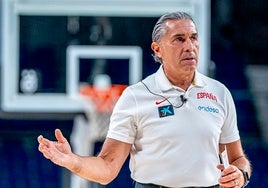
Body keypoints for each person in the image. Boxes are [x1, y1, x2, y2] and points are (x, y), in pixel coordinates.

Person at [38, 12, 251, 188]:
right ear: (157, 49)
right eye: (179, 39)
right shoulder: (135, 97)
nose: (189, 46)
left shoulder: (219, 92)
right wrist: (73, 161)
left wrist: (241, 175)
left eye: (193, 38)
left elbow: (238, 158)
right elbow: (107, 168)